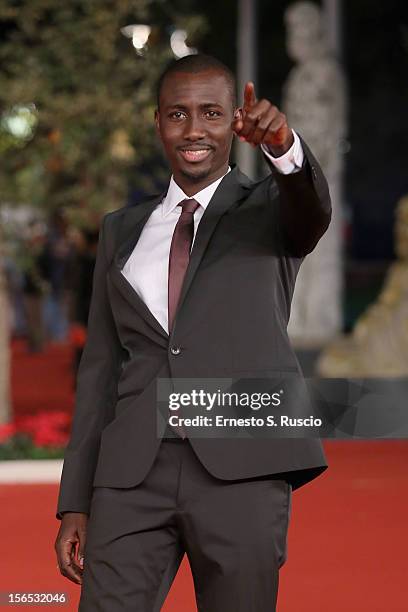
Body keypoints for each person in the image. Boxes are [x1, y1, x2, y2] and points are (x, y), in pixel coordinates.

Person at [55, 54, 331, 611]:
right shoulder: (121, 230)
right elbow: (102, 370)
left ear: (234, 120)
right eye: (178, 114)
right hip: (131, 476)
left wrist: (282, 146)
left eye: (210, 112)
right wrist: (74, 501)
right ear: (158, 122)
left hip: (242, 469)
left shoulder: (270, 209)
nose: (194, 129)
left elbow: (312, 209)